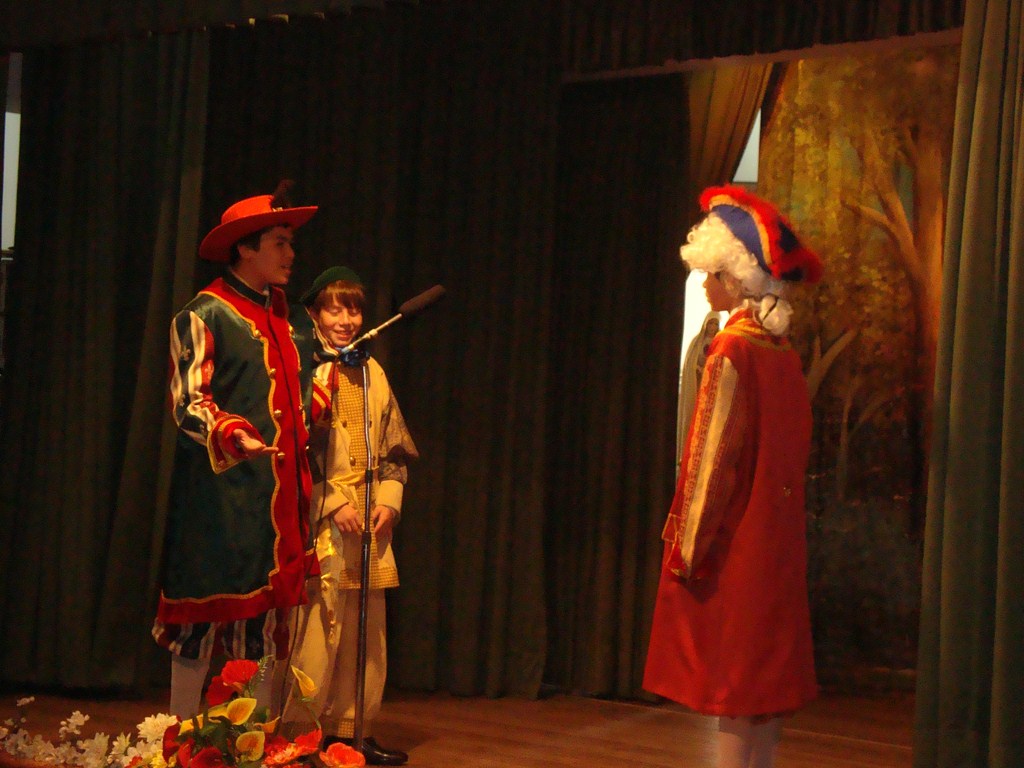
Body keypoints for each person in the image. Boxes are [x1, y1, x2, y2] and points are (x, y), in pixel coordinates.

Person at [643, 185, 824, 768]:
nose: (703, 283)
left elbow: (711, 457)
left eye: (712, 274)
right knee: (763, 687)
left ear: (736, 279)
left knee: (734, 683)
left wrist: (687, 546)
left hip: (738, 541)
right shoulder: (781, 351)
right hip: (776, 538)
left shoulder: (732, 351)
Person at [152, 181, 320, 718]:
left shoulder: (290, 318)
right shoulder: (205, 314)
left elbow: (302, 392)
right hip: (219, 499)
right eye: (279, 243)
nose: (291, 255)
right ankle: (179, 736)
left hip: (277, 499)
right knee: (200, 622)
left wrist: (320, 395)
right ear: (246, 248)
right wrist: (232, 432)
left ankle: (254, 740)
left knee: (264, 627)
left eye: (290, 243)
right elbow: (189, 401)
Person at [281, 267, 418, 767]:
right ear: (315, 314)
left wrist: (389, 500)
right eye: (334, 310)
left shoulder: (371, 370)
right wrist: (330, 500)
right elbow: (292, 447)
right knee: (318, 630)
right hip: (323, 519)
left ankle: (353, 731)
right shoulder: (306, 368)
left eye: (353, 310)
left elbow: (394, 445)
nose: (345, 320)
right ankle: (299, 736)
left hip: (369, 518)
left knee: (366, 631)